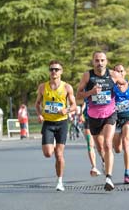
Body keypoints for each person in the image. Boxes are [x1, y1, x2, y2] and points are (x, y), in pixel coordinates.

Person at [76, 51, 126, 191]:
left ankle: (109, 178)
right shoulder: (87, 76)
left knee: (108, 144)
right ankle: (104, 160)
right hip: (93, 116)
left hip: (110, 113)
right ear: (93, 62)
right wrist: (90, 93)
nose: (100, 63)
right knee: (100, 147)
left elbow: (125, 84)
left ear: (106, 61)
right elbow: (78, 95)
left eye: (102, 60)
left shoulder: (113, 75)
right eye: (97, 60)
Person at [35, 60, 77, 191]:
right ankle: (51, 144)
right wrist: (39, 114)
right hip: (48, 122)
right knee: (48, 153)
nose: (54, 71)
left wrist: (67, 110)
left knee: (59, 154)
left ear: (61, 72)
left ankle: (60, 181)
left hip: (62, 122)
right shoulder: (43, 87)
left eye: (56, 69)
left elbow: (74, 105)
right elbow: (37, 104)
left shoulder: (67, 87)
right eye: (51, 69)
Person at [81, 100, 104, 177]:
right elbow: (83, 103)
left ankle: (104, 160)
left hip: (99, 120)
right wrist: (80, 113)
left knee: (100, 146)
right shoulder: (86, 90)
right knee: (90, 144)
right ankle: (94, 167)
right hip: (88, 121)